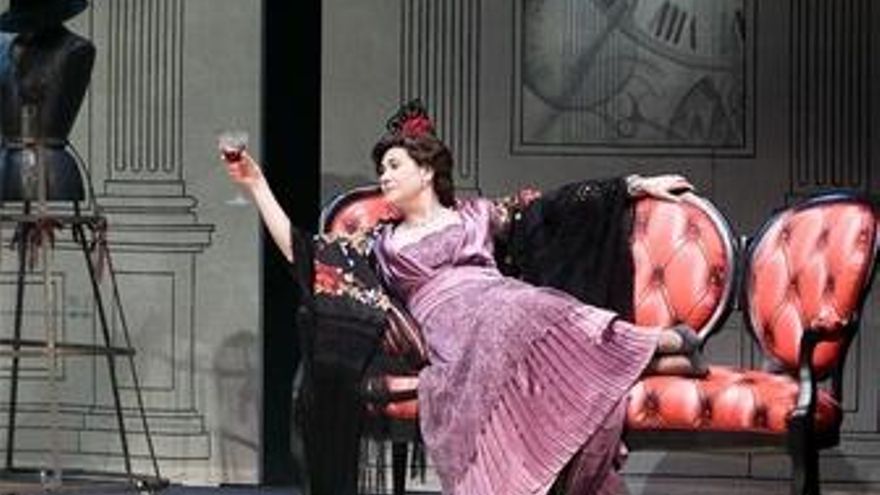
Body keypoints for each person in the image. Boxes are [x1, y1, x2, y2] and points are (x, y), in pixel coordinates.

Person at [223, 100, 707, 495]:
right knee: (510, 323)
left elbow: (554, 209)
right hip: (451, 330)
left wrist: (632, 186)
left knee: (533, 307)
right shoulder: (381, 242)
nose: (384, 176)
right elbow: (307, 254)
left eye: (394, 165)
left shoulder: (476, 215)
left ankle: (660, 344)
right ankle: (662, 351)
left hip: (504, 301)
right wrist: (257, 185)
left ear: (426, 170)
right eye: (381, 168)